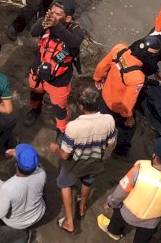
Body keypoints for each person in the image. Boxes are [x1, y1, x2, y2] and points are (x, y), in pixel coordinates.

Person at [49, 84, 116, 234]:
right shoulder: (109, 120)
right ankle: (82, 207)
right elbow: (111, 145)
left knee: (64, 184)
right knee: (87, 181)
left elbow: (65, 155)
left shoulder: (73, 126)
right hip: (95, 160)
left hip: (75, 164)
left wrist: (56, 149)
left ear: (80, 105)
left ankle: (70, 222)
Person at [97, 136, 161, 242]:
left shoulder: (139, 169)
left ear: (154, 155)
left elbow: (122, 191)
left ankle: (114, 232)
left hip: (127, 213)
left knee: (118, 214)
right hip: (151, 221)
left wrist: (110, 203)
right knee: (143, 238)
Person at [93, 35, 161, 156]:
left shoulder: (119, 49)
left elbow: (101, 67)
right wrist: (129, 118)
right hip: (117, 107)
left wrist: (97, 78)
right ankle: (120, 151)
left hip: (105, 94)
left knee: (101, 121)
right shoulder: (137, 77)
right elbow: (127, 103)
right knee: (128, 129)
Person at [26, 0, 85, 137]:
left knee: (59, 108)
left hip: (59, 80)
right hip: (38, 70)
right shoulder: (45, 21)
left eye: (58, 14)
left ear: (68, 18)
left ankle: (61, 130)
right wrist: (43, 22)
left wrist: (56, 25)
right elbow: (33, 32)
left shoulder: (77, 31)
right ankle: (35, 110)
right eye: (52, 12)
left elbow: (74, 42)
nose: (53, 16)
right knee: (35, 93)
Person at [0, 144, 46, 243]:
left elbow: (0, 214)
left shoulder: (8, 187)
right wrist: (19, 155)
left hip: (17, 223)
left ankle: (20, 235)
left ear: (16, 165)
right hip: (38, 214)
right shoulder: (42, 173)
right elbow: (36, 165)